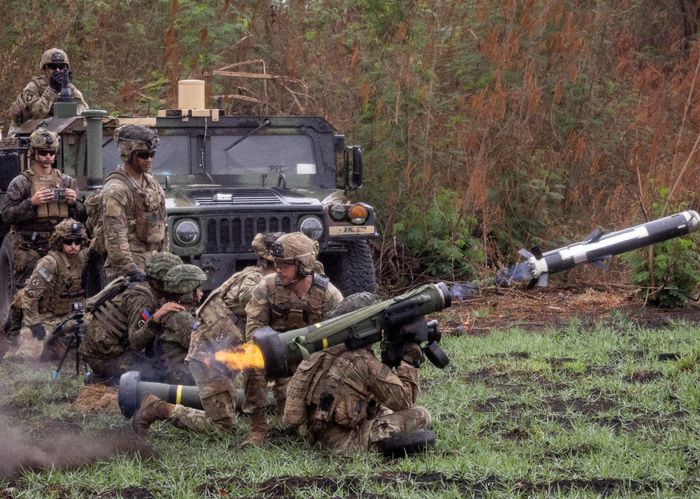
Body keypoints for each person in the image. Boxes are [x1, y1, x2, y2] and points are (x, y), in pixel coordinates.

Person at [131, 232, 281, 435]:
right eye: (196, 290)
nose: (201, 294)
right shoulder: (174, 314)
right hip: (189, 374)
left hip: (197, 368)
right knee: (224, 426)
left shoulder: (176, 311)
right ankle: (159, 408)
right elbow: (203, 349)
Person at [283, 293, 435, 455]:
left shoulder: (319, 349)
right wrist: (409, 361)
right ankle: (377, 446)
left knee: (383, 409)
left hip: (313, 435)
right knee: (421, 414)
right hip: (343, 444)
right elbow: (404, 401)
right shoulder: (363, 362)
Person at [243, 231, 343, 445]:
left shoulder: (329, 295)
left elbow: (339, 340)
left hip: (312, 362)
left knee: (298, 427)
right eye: (277, 264)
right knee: (251, 359)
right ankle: (258, 429)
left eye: (285, 265)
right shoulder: (267, 287)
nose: (278, 270)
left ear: (303, 265)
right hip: (273, 357)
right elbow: (254, 330)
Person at [79, 251, 182, 385]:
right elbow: (136, 341)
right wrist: (155, 319)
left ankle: (103, 378)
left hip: (106, 351)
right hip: (105, 357)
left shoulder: (144, 287)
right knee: (159, 374)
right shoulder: (141, 298)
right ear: (161, 281)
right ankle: (101, 380)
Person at [2, 128, 85, 289]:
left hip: (63, 248)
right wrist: (31, 203)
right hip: (31, 248)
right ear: (33, 153)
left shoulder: (67, 181)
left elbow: (83, 216)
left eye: (52, 153)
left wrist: (74, 202)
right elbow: (7, 216)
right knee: (25, 296)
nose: (48, 157)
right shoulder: (21, 183)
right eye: (43, 152)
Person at [3, 219, 88, 361]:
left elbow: (101, 242)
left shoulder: (83, 258)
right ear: (60, 242)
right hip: (46, 318)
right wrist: (34, 324)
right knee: (29, 354)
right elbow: (30, 297)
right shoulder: (49, 263)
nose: (74, 246)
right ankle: (18, 344)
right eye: (68, 242)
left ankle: (55, 347)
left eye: (78, 242)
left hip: (70, 317)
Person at [101, 124, 168, 281]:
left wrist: (166, 261)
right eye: (144, 155)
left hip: (154, 261)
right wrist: (132, 271)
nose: (149, 159)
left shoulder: (152, 183)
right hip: (129, 268)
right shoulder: (116, 190)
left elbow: (162, 225)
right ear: (128, 154)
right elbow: (115, 237)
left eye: (152, 154)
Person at [144, 264, 207, 385]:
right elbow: (207, 345)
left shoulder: (168, 310)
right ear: (187, 292)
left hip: (171, 376)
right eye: (198, 289)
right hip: (183, 379)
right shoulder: (180, 317)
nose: (201, 293)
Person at [8, 48, 89, 135]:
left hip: (55, 131)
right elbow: (38, 113)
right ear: (45, 68)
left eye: (62, 67)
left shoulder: (69, 87)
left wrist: (70, 116)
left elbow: (83, 108)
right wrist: (51, 88)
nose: (58, 70)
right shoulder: (33, 87)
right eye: (53, 67)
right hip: (25, 134)